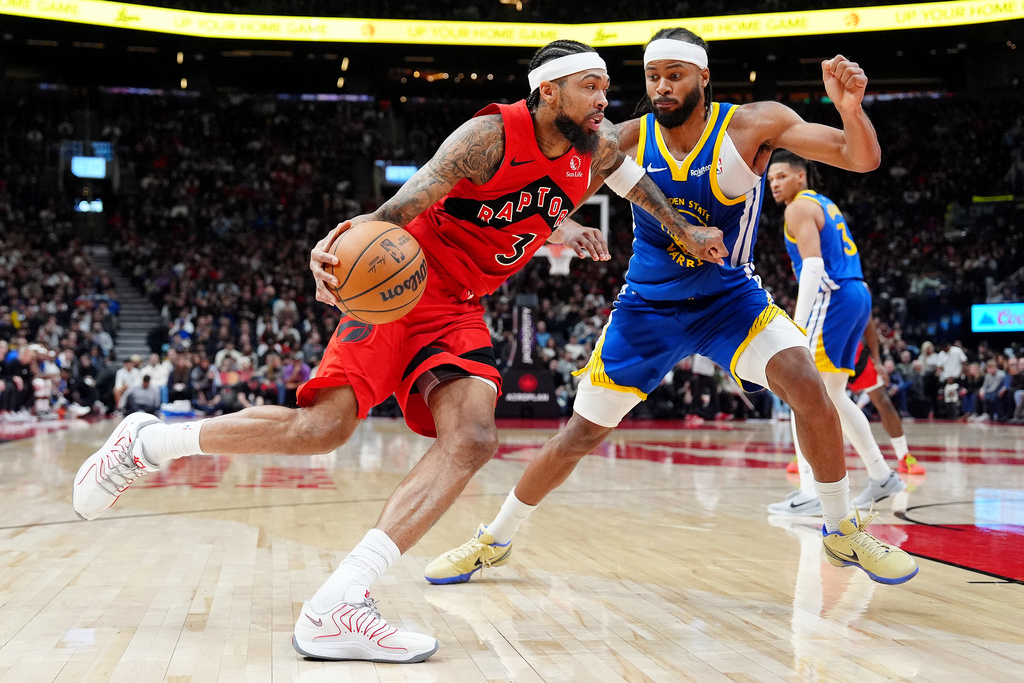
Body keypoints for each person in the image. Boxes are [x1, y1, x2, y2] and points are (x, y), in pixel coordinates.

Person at [72, 39, 726, 664]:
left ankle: (339, 601)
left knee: (471, 438)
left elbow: (636, 188)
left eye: (608, 88)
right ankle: (149, 445)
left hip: (462, 304)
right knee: (323, 428)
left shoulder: (598, 146)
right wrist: (332, 248)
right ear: (546, 91)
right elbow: (406, 201)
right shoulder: (489, 136)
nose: (605, 99)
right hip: (408, 279)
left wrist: (679, 229)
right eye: (591, 87)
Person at [426, 29, 917, 589]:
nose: (660, 86)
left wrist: (850, 109)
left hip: (729, 301)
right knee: (580, 434)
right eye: (652, 76)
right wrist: (565, 227)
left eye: (674, 75)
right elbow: (542, 197)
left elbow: (862, 157)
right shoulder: (621, 139)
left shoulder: (755, 125)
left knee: (807, 382)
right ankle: (494, 540)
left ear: (703, 77)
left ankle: (841, 530)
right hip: (647, 309)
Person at [764, 152, 908, 513]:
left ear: (801, 175)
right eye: (770, 180)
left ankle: (812, 491)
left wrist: (797, 321)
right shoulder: (825, 204)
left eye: (781, 176)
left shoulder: (798, 207)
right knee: (833, 394)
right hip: (855, 293)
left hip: (832, 297)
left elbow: (813, 265)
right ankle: (881, 476)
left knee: (801, 391)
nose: (775, 184)